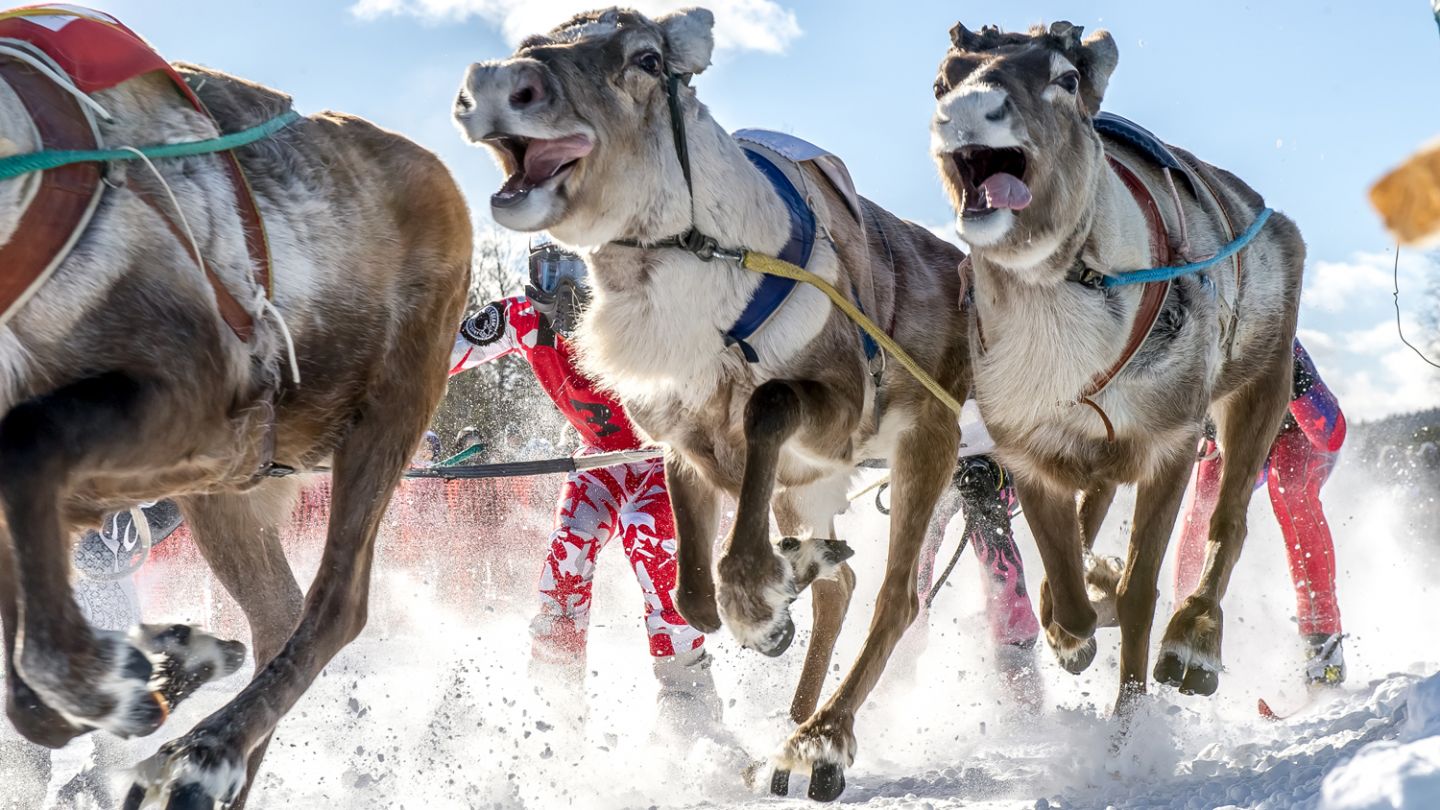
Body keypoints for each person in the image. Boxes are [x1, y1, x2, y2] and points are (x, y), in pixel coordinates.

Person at [449, 242, 721, 735]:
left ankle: (687, 697)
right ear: (535, 275)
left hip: (662, 460)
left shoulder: (639, 310)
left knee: (649, 543)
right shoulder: (522, 319)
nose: (569, 292)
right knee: (568, 551)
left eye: (579, 271)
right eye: (553, 273)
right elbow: (445, 352)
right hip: (600, 460)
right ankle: (555, 697)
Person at [1174, 339, 1348, 685]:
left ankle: (1322, 641)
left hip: (1298, 437)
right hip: (1236, 439)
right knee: (1201, 509)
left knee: (1290, 488)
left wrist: (1292, 378)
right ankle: (1182, 629)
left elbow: (1332, 435)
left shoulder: (1280, 341)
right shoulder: (1205, 340)